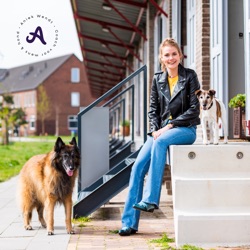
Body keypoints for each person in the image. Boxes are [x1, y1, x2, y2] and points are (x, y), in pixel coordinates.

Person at [118, 38, 201, 236]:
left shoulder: (189, 76)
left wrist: (169, 126)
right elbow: (153, 110)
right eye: (167, 55)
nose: (171, 58)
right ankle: (129, 223)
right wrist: (156, 128)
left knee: (162, 140)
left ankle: (151, 198)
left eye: (174, 54)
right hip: (161, 132)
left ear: (180, 55)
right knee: (137, 168)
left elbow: (194, 109)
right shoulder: (158, 79)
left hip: (185, 129)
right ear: (161, 59)